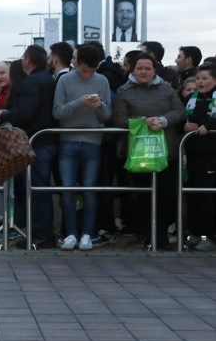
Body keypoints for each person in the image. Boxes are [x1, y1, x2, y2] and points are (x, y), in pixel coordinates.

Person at [112, 52, 185, 249]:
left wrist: (163, 120)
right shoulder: (124, 91)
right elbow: (119, 120)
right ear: (133, 70)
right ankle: (147, 234)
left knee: (166, 195)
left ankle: (160, 235)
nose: (143, 72)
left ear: (154, 70)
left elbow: (180, 111)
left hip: (166, 150)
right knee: (141, 196)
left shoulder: (167, 89)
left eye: (148, 68)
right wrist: (143, 122)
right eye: (139, 68)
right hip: (139, 152)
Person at [0, 45, 56, 248]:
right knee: (39, 188)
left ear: (27, 59)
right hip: (44, 140)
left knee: (36, 189)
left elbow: (26, 114)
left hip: (35, 141)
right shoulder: (47, 78)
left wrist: (3, 115)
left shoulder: (33, 82)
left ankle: (41, 234)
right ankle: (41, 232)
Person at [52, 44, 111, 251]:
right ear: (77, 63)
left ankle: (87, 233)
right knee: (67, 188)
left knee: (89, 188)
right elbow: (57, 112)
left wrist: (100, 105)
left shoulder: (102, 80)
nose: (88, 74)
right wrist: (79, 102)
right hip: (68, 139)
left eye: (92, 71)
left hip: (93, 140)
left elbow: (107, 115)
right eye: (85, 70)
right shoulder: (65, 80)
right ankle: (70, 233)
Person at [181, 62, 216, 251]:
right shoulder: (192, 98)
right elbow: (183, 117)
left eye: (205, 78)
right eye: (198, 78)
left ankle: (208, 234)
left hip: (210, 154)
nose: (200, 82)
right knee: (193, 195)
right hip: (192, 153)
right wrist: (185, 126)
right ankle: (195, 232)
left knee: (206, 195)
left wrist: (209, 126)